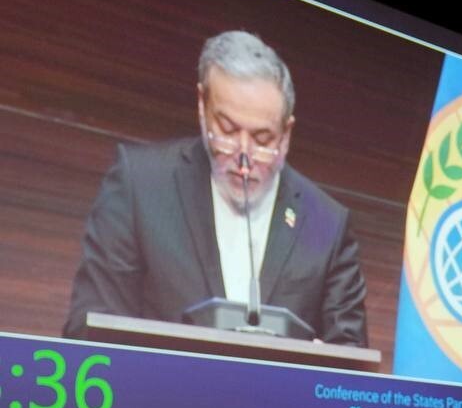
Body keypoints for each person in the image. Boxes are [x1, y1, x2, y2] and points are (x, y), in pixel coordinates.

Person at [63, 30, 368, 347]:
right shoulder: (140, 185)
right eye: (227, 130)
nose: (244, 155)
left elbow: (351, 363)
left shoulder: (326, 223)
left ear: (286, 133)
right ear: (201, 106)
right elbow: (90, 330)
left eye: (263, 139)